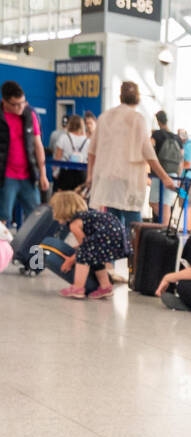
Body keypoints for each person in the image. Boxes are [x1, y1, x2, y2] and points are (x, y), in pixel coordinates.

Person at [88, 83, 176, 253]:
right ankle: (137, 264)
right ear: (137, 97)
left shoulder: (105, 117)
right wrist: (164, 177)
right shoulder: (137, 118)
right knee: (135, 227)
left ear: (120, 96)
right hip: (129, 181)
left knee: (111, 226)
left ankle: (109, 266)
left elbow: (92, 150)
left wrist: (90, 175)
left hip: (107, 180)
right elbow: (147, 151)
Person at [48, 189, 126, 300]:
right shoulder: (86, 216)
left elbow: (85, 247)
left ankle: (78, 288)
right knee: (94, 256)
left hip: (108, 236)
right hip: (117, 236)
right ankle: (105, 286)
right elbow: (88, 242)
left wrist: (70, 261)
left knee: (84, 256)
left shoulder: (74, 224)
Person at [1, 80, 50, 225]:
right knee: (3, 219)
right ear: (4, 102)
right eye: (15, 104)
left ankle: (33, 248)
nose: (20, 107)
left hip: (28, 176)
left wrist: (43, 174)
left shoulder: (29, 115)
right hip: (6, 177)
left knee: (35, 219)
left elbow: (38, 145)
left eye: (23, 102)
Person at [149, 111, 184, 221]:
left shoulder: (156, 134)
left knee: (155, 203)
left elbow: (148, 148)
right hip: (173, 174)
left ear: (158, 121)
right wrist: (179, 176)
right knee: (166, 204)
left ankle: (164, 227)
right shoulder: (177, 138)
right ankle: (165, 225)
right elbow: (181, 160)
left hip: (158, 173)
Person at [51, 115, 89, 192]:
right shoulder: (88, 141)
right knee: (79, 200)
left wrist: (55, 172)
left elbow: (58, 158)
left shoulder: (64, 138)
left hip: (66, 173)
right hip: (82, 173)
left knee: (64, 199)